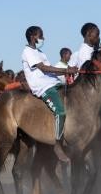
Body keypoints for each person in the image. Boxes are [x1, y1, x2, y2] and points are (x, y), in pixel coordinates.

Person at [22, 26, 78, 162]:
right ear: (32, 36)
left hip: (53, 82)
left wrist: (68, 70)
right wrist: (65, 71)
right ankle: (58, 145)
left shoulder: (40, 52)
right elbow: (44, 68)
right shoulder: (27, 52)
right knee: (60, 112)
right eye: (40, 35)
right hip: (42, 86)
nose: (43, 38)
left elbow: (51, 71)